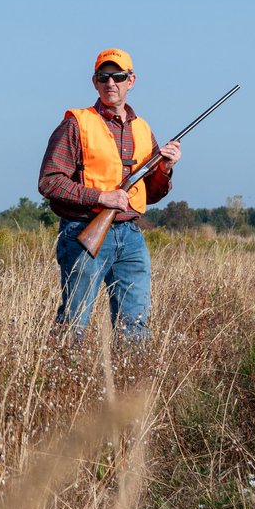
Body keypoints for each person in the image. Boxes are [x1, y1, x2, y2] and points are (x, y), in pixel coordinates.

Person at [38, 48, 181, 341]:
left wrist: (165, 168)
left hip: (130, 236)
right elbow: (49, 182)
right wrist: (101, 198)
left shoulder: (142, 129)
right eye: (104, 76)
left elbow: (149, 194)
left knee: (135, 325)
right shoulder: (76, 123)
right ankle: (63, 384)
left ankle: (133, 386)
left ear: (132, 80)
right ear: (94, 81)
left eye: (118, 76)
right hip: (84, 231)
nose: (111, 83)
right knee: (74, 322)